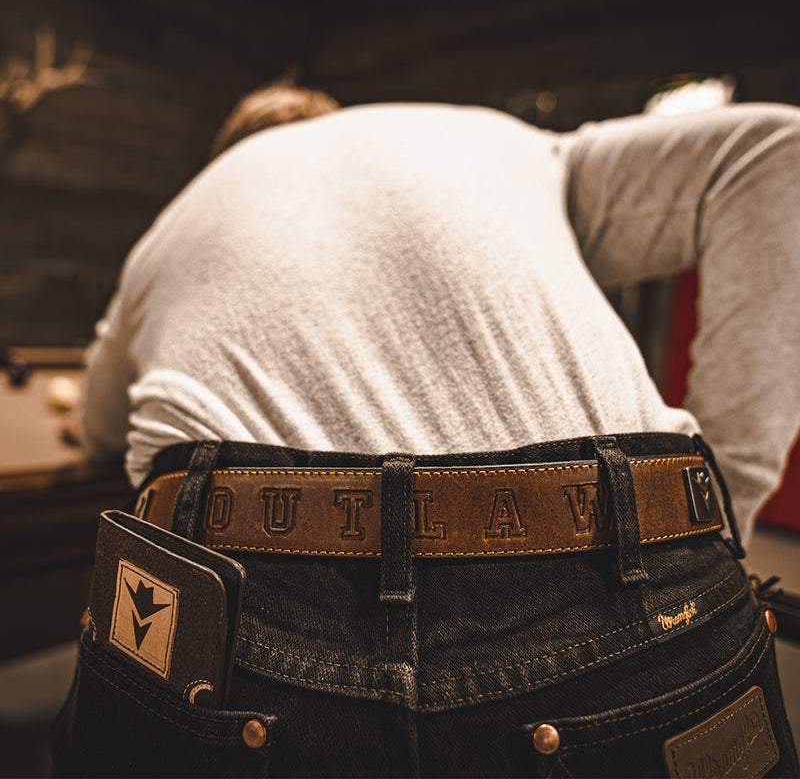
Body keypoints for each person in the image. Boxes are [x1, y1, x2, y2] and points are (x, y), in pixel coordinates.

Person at [52, 84, 800, 777]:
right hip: (637, 594)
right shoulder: (485, 135)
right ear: (335, 114)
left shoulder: (181, 213)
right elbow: (774, 150)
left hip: (228, 610)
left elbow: (96, 425)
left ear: (229, 153)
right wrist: (713, 501)